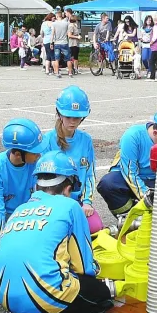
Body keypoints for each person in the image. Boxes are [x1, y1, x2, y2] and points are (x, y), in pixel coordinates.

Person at [0, 150, 115, 313]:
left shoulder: (20, 209)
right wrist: (104, 280)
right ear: (68, 188)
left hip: (1, 291)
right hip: (42, 292)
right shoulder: (70, 206)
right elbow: (84, 267)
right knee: (102, 296)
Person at [42, 85, 102, 233]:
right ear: (59, 114)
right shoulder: (47, 140)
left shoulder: (86, 140)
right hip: (53, 202)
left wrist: (87, 202)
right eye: (68, 117)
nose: (72, 121)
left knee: (95, 227)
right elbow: (41, 179)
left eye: (77, 117)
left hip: (77, 202)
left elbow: (89, 174)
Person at [0, 118, 47, 254]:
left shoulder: (37, 163)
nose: (39, 155)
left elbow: (42, 199)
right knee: (7, 247)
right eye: (35, 152)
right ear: (18, 154)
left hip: (26, 210)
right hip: (5, 211)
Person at [97, 107, 157, 216]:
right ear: (156, 132)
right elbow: (130, 172)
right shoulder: (133, 136)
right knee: (108, 184)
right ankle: (130, 217)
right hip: (130, 177)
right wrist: (148, 199)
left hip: (155, 180)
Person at [51, 11, 71, 78]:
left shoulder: (54, 24)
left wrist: (51, 43)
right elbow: (68, 32)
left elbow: (52, 34)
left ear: (57, 16)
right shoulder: (66, 23)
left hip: (57, 43)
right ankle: (70, 73)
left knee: (57, 59)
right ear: (61, 16)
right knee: (68, 59)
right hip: (64, 42)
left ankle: (57, 73)